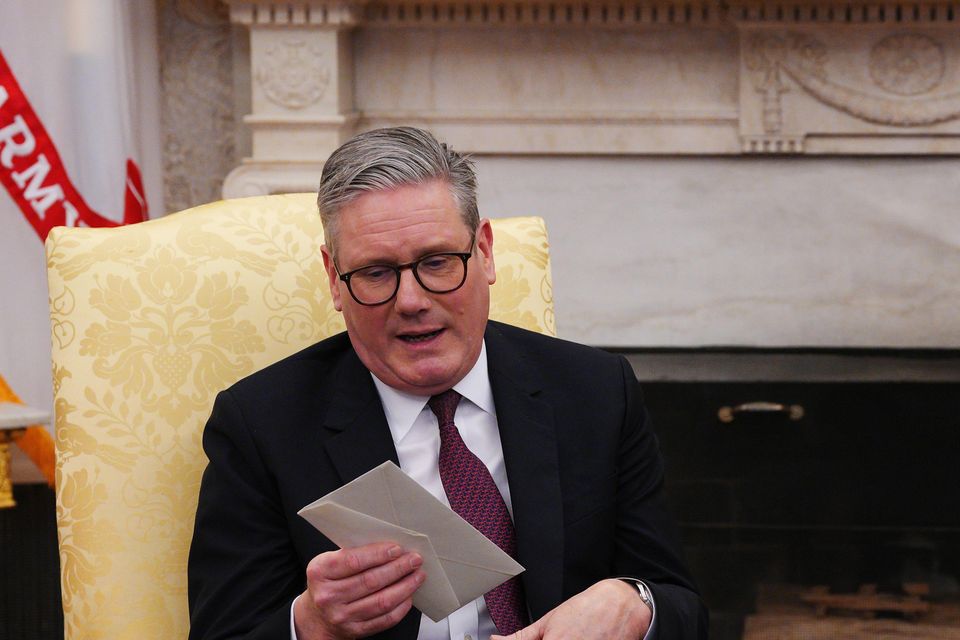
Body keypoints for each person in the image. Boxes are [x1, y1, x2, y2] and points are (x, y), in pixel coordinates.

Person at [188, 127, 707, 640]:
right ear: (334, 280)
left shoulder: (596, 393)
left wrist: (636, 604)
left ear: (484, 252)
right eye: (375, 273)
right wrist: (310, 624)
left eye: (437, 263)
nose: (411, 300)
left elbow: (681, 606)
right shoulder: (261, 425)